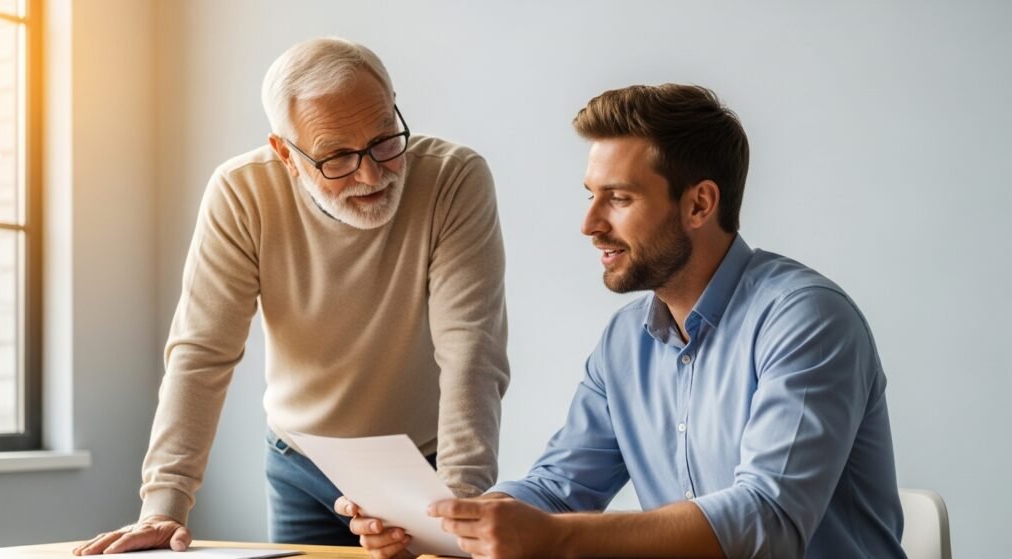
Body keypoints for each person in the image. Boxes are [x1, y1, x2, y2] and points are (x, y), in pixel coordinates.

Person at [340, 84, 905, 558]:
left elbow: (770, 519)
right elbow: (558, 491)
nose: (589, 223)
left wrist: (555, 541)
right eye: (590, 195)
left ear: (699, 205)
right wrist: (437, 523)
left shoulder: (806, 320)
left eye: (618, 198)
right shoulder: (625, 340)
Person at [72, 37, 510, 556]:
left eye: (385, 141)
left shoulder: (453, 179)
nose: (371, 175)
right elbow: (202, 353)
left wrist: (458, 502)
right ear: (285, 153)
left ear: (395, 106)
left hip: (419, 463)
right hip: (299, 460)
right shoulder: (242, 192)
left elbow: (471, 350)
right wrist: (164, 506)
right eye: (338, 157)